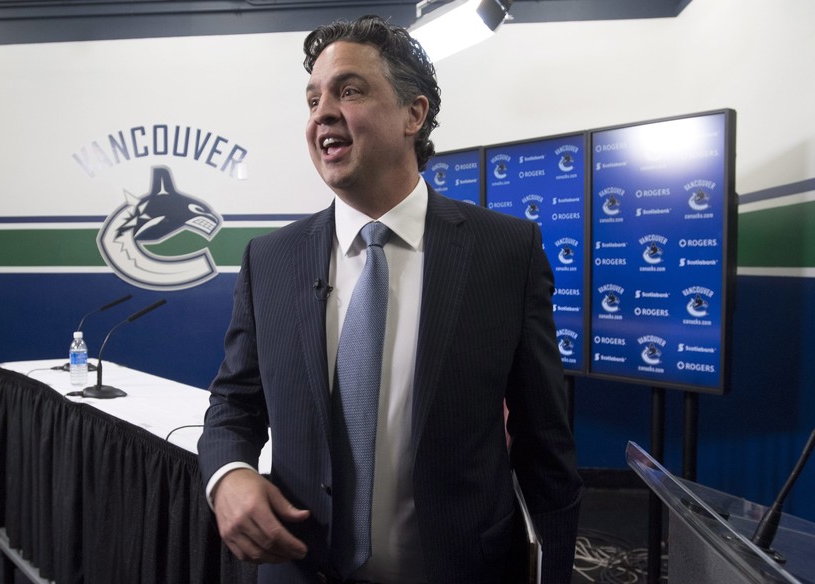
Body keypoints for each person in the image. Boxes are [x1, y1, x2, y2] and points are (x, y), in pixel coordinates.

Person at [198, 15, 582, 584]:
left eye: (349, 90)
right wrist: (228, 473)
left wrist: (553, 568)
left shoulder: (506, 252)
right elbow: (233, 403)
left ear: (413, 114)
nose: (322, 112)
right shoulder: (269, 262)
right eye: (312, 99)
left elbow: (544, 441)